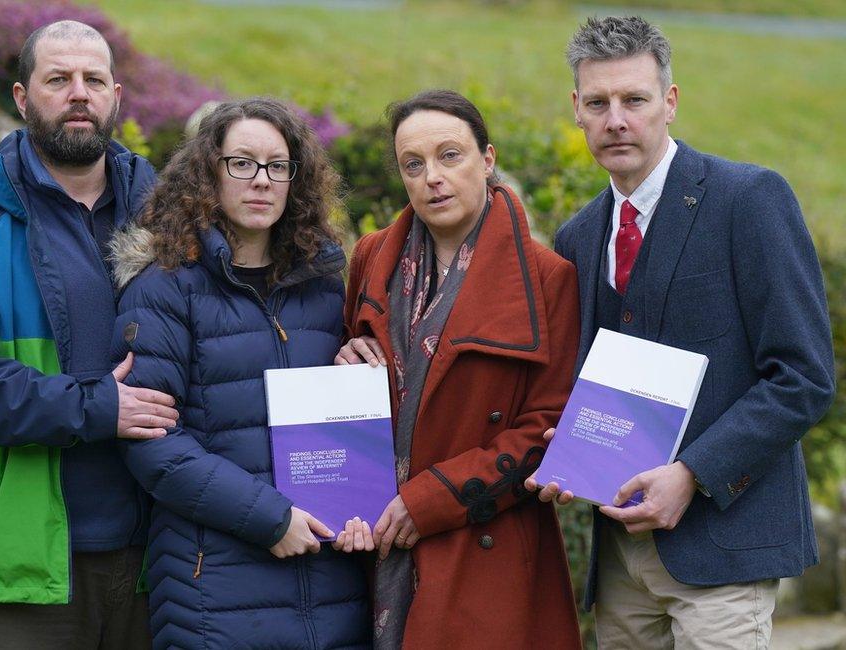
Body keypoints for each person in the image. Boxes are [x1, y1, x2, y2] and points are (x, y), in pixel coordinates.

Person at [536, 15, 835, 648]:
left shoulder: (748, 199)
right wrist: (564, 449)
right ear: (577, 112)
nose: (617, 119)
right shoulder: (579, 237)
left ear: (669, 103)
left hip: (724, 545)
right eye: (599, 102)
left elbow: (803, 378)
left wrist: (693, 473)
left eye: (634, 99)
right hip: (619, 558)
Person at [0, 20, 178, 649]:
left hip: (155, 554)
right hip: (21, 557)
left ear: (116, 97)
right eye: (58, 79)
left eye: (94, 80)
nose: (78, 93)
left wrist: (346, 341)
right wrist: (93, 406)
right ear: (24, 99)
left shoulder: (166, 212)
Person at [108, 97, 370, 650]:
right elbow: (151, 442)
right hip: (215, 588)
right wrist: (267, 519)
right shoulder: (164, 289)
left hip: (331, 588)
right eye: (242, 163)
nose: (262, 180)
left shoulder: (325, 287)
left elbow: (350, 427)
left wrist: (358, 364)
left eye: (278, 166)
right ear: (210, 172)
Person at [334, 89, 582, 649]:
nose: (433, 179)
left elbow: (549, 430)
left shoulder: (547, 277)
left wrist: (428, 503)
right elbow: (354, 373)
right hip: (372, 539)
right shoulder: (372, 257)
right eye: (413, 165)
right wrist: (344, 356)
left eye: (451, 156)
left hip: (481, 540)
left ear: (487, 160)